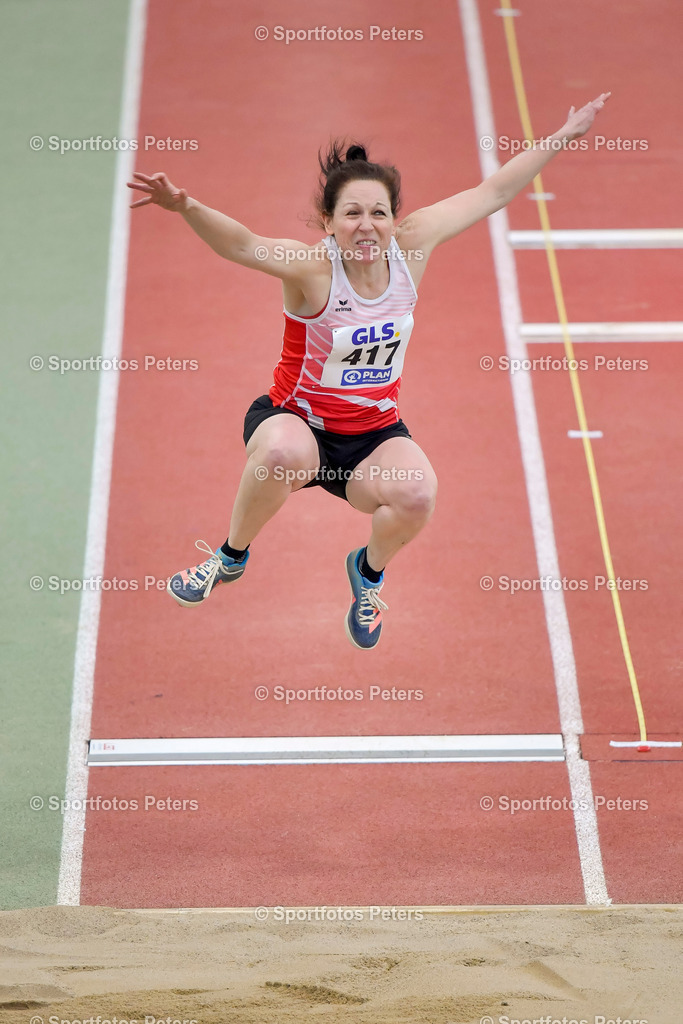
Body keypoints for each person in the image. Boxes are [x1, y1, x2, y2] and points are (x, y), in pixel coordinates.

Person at [127, 93, 610, 650]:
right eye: (352, 214)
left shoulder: (414, 247)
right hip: (295, 420)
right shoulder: (311, 268)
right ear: (328, 222)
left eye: (378, 213)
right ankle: (229, 556)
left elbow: (494, 191)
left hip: (371, 438)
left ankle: (368, 573)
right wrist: (186, 206)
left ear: (394, 220)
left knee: (418, 497)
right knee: (285, 455)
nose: (366, 226)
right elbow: (242, 245)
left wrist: (566, 134)